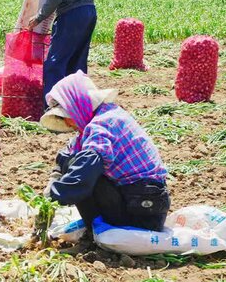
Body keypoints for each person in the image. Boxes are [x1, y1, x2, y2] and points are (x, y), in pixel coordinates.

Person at [40, 71, 170, 233]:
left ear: (78, 106)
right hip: (149, 203)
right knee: (75, 163)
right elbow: (68, 153)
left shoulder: (101, 126)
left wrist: (52, 198)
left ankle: (96, 233)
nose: (67, 122)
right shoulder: (105, 114)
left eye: (67, 115)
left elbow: (81, 178)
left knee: (85, 174)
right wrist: (55, 176)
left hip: (142, 212)